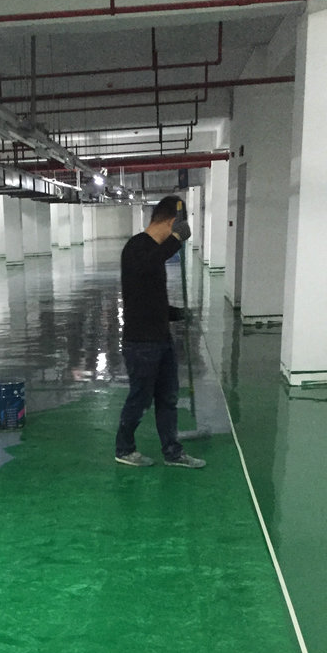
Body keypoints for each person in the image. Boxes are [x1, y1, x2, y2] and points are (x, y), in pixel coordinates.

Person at [114, 195, 206, 469]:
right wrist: (176, 240)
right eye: (177, 226)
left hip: (162, 340)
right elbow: (148, 265)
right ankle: (124, 449)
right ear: (171, 222)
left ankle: (173, 452)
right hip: (140, 343)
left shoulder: (155, 252)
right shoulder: (137, 247)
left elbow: (152, 301)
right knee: (140, 399)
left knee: (168, 398)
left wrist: (178, 313)